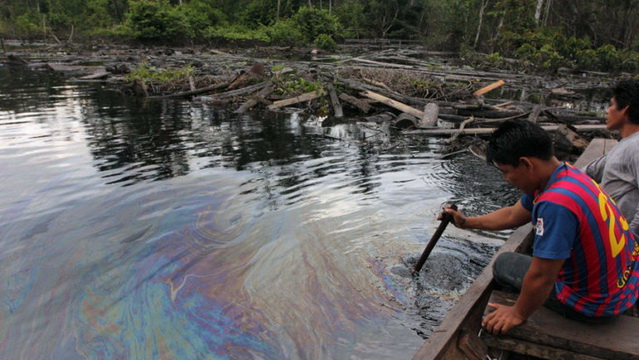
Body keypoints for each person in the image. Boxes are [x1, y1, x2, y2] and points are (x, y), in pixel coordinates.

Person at [442, 119, 639, 335]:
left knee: (504, 263)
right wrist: (466, 222)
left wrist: (518, 313)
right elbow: (511, 215)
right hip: (625, 287)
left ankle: (523, 309)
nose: (507, 180)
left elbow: (542, 277)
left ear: (527, 164)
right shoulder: (567, 175)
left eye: (506, 171)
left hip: (595, 306)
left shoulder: (556, 203)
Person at [583, 79, 639, 239]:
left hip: (622, 247)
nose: (608, 110)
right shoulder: (627, 144)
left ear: (625, 110)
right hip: (610, 241)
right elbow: (588, 171)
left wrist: (630, 241)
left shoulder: (636, 147)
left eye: (612, 105)